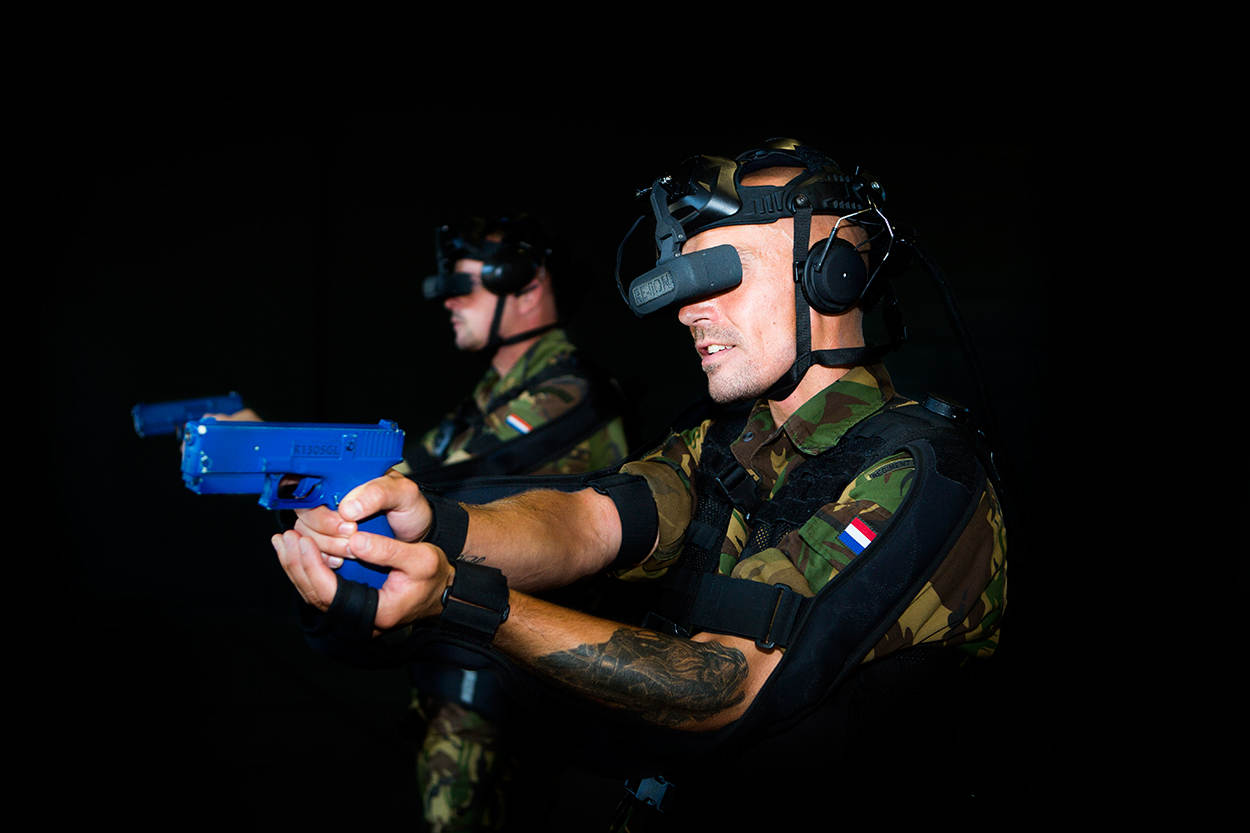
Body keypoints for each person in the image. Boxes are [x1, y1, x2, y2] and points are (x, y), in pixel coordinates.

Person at [272, 140, 1008, 827]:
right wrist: (435, 525)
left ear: (830, 276)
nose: (688, 311)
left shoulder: (918, 471)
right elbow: (591, 523)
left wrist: (455, 598)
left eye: (720, 274)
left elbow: (720, 685)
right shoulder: (722, 439)